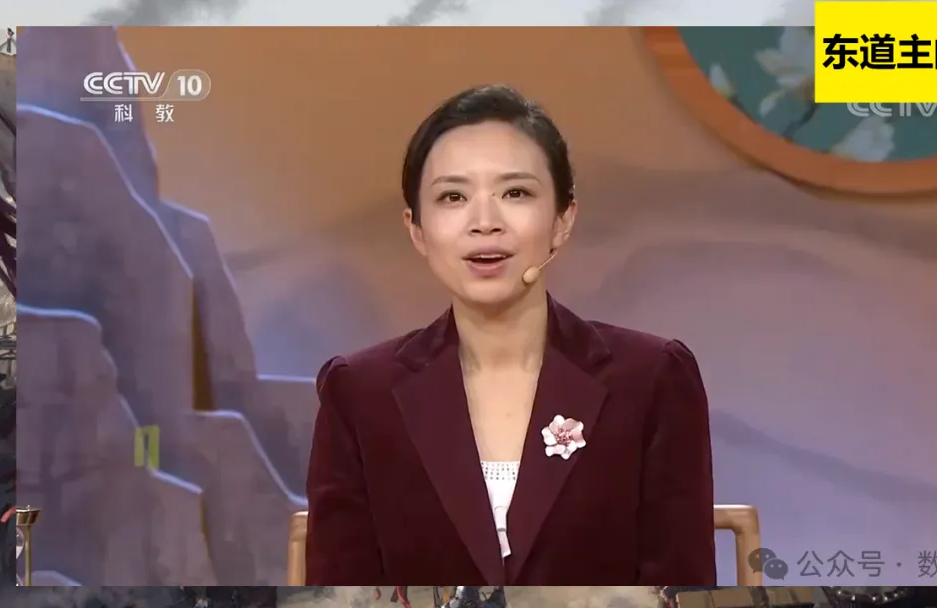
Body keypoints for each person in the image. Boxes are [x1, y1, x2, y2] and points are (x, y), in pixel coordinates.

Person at [305, 84, 717, 585]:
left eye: (515, 193)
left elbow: (679, 587)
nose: (485, 223)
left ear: (563, 219)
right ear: (417, 229)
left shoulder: (650, 380)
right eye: (453, 197)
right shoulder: (360, 393)